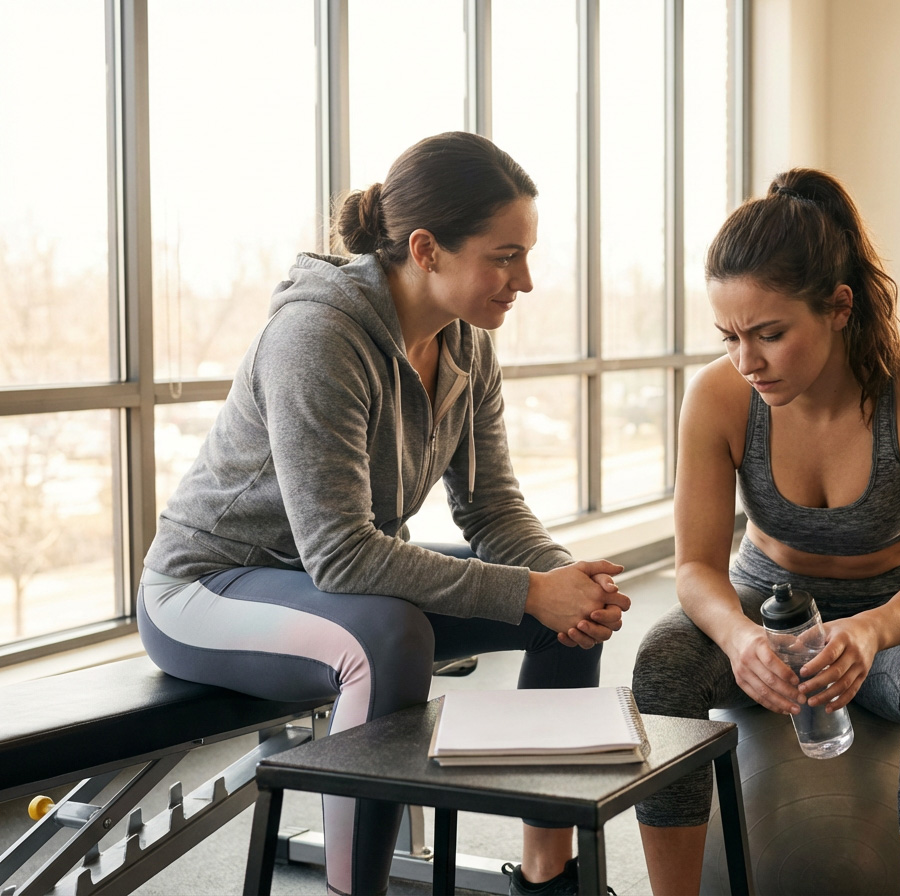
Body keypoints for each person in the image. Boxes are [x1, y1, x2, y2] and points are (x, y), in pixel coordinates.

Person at [138, 131, 630, 896]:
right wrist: (529, 588)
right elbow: (340, 556)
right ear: (428, 249)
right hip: (208, 590)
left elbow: (494, 511)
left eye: (526, 254)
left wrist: (558, 579)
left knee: (563, 610)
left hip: (335, 583)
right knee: (389, 636)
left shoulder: (466, 344)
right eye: (504, 256)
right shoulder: (317, 336)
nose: (524, 280)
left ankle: (549, 875)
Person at [632, 168, 900, 896]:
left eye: (769, 334)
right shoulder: (718, 396)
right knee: (661, 661)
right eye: (729, 336)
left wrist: (867, 633)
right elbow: (695, 569)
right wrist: (738, 638)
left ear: (837, 306)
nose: (746, 360)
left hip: (894, 617)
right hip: (763, 608)